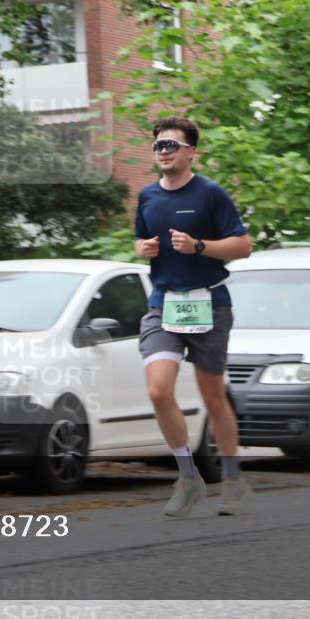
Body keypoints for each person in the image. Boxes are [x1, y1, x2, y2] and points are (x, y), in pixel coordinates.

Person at [134, 117, 254, 517]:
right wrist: (143, 249)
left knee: (212, 397)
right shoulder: (148, 196)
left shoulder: (210, 194)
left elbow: (243, 246)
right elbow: (139, 238)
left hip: (209, 304)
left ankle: (233, 480)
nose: (164, 151)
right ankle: (188, 478)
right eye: (158, 146)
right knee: (158, 390)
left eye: (171, 145)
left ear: (190, 152)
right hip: (164, 303)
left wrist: (199, 246)